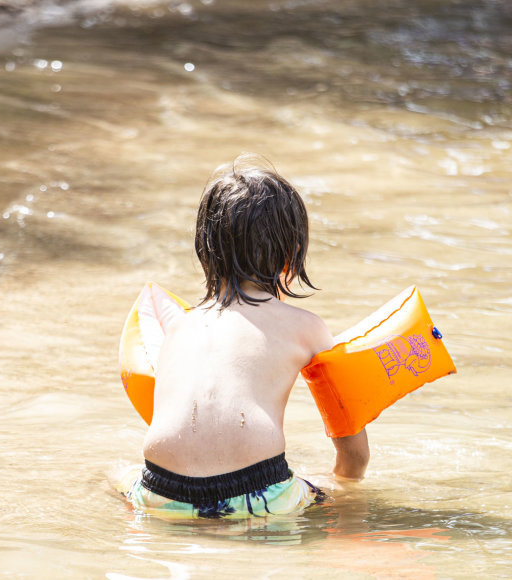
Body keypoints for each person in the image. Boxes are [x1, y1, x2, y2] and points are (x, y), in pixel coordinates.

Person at [122, 155, 369, 519]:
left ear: (205, 251)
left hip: (160, 491)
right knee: (334, 496)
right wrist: (344, 488)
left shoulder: (177, 328)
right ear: (293, 253)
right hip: (255, 492)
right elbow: (354, 455)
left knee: (116, 476)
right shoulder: (307, 328)